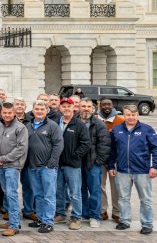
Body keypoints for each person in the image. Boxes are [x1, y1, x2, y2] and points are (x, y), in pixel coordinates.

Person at [108, 104, 157, 235]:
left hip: (142, 171)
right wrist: (111, 165)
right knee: (123, 198)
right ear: (123, 115)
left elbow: (156, 149)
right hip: (122, 171)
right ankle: (125, 221)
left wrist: (155, 166)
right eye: (128, 115)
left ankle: (147, 224)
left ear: (137, 115)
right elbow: (112, 150)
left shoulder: (147, 129)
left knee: (145, 199)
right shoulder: (116, 130)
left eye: (133, 115)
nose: (131, 117)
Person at [26, 100, 63, 234]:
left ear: (47, 110)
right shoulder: (28, 126)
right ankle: (41, 219)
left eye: (42, 109)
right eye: (37, 109)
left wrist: (51, 164)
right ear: (33, 110)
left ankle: (48, 222)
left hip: (47, 168)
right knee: (38, 195)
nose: (39, 111)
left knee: (49, 196)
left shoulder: (52, 126)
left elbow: (58, 145)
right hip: (33, 167)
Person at [54, 98, 90, 230]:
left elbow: (86, 144)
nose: (66, 109)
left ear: (73, 108)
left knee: (75, 193)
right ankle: (60, 214)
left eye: (68, 106)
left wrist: (75, 156)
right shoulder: (55, 123)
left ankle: (76, 217)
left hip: (72, 165)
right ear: (60, 108)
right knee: (59, 191)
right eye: (63, 106)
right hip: (57, 164)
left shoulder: (79, 124)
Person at [0, 102, 28, 237]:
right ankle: (12, 221)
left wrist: (4, 158)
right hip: (0, 164)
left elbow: (21, 148)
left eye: (9, 113)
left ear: (14, 113)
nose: (7, 115)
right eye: (4, 113)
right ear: (2, 113)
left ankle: (14, 225)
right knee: (7, 193)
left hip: (12, 165)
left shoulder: (20, 127)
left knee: (12, 194)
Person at [79, 98, 110, 228]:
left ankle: (95, 216)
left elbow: (105, 145)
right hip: (77, 163)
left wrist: (98, 162)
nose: (86, 108)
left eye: (88, 106)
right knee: (80, 190)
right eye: (83, 106)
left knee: (95, 190)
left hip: (93, 164)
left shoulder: (98, 124)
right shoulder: (74, 122)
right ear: (79, 107)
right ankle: (84, 213)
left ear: (93, 108)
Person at [98, 98, 123, 222]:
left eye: (109, 104)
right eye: (103, 104)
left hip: (115, 160)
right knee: (100, 187)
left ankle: (117, 212)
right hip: (100, 158)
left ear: (112, 106)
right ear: (100, 106)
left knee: (116, 187)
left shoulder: (120, 121)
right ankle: (102, 211)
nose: (106, 106)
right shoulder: (96, 119)